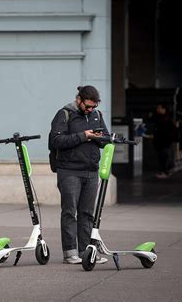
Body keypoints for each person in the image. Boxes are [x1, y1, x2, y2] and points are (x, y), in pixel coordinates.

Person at [49, 85, 109, 264]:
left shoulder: (97, 116)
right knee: (70, 212)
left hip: (91, 171)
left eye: (94, 107)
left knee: (87, 214)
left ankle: (87, 253)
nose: (90, 110)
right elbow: (56, 140)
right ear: (79, 100)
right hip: (69, 171)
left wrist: (101, 137)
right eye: (88, 106)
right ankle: (70, 253)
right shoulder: (64, 114)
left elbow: (105, 139)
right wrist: (84, 136)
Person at [152, 104, 176, 179]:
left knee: (164, 156)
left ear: (164, 109)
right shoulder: (159, 117)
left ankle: (166, 171)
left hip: (164, 140)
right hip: (161, 140)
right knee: (163, 155)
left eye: (159, 108)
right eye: (157, 108)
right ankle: (166, 170)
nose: (157, 109)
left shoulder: (166, 118)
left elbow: (167, 130)